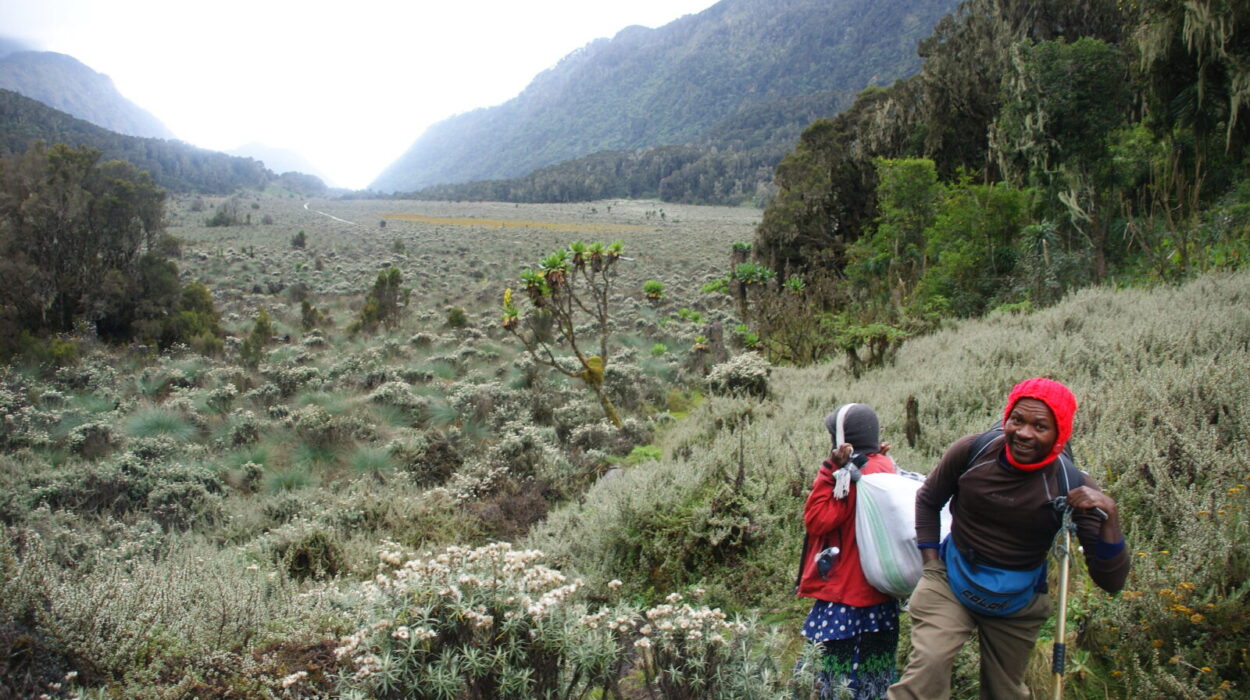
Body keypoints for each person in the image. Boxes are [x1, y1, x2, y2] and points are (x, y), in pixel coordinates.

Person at [888, 377, 1130, 699]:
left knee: (1005, 692)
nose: (1024, 433)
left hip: (1017, 599)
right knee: (925, 674)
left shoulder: (1071, 484)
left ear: (1059, 433)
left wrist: (1110, 515)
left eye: (1040, 426)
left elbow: (1110, 581)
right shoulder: (972, 451)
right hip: (951, 580)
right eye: (1017, 420)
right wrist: (931, 565)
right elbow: (928, 500)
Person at [796, 403, 900, 699]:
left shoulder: (849, 476)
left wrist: (828, 471)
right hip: (880, 594)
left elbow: (817, 520)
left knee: (827, 674)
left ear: (843, 439)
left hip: (845, 593)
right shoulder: (885, 465)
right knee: (873, 671)